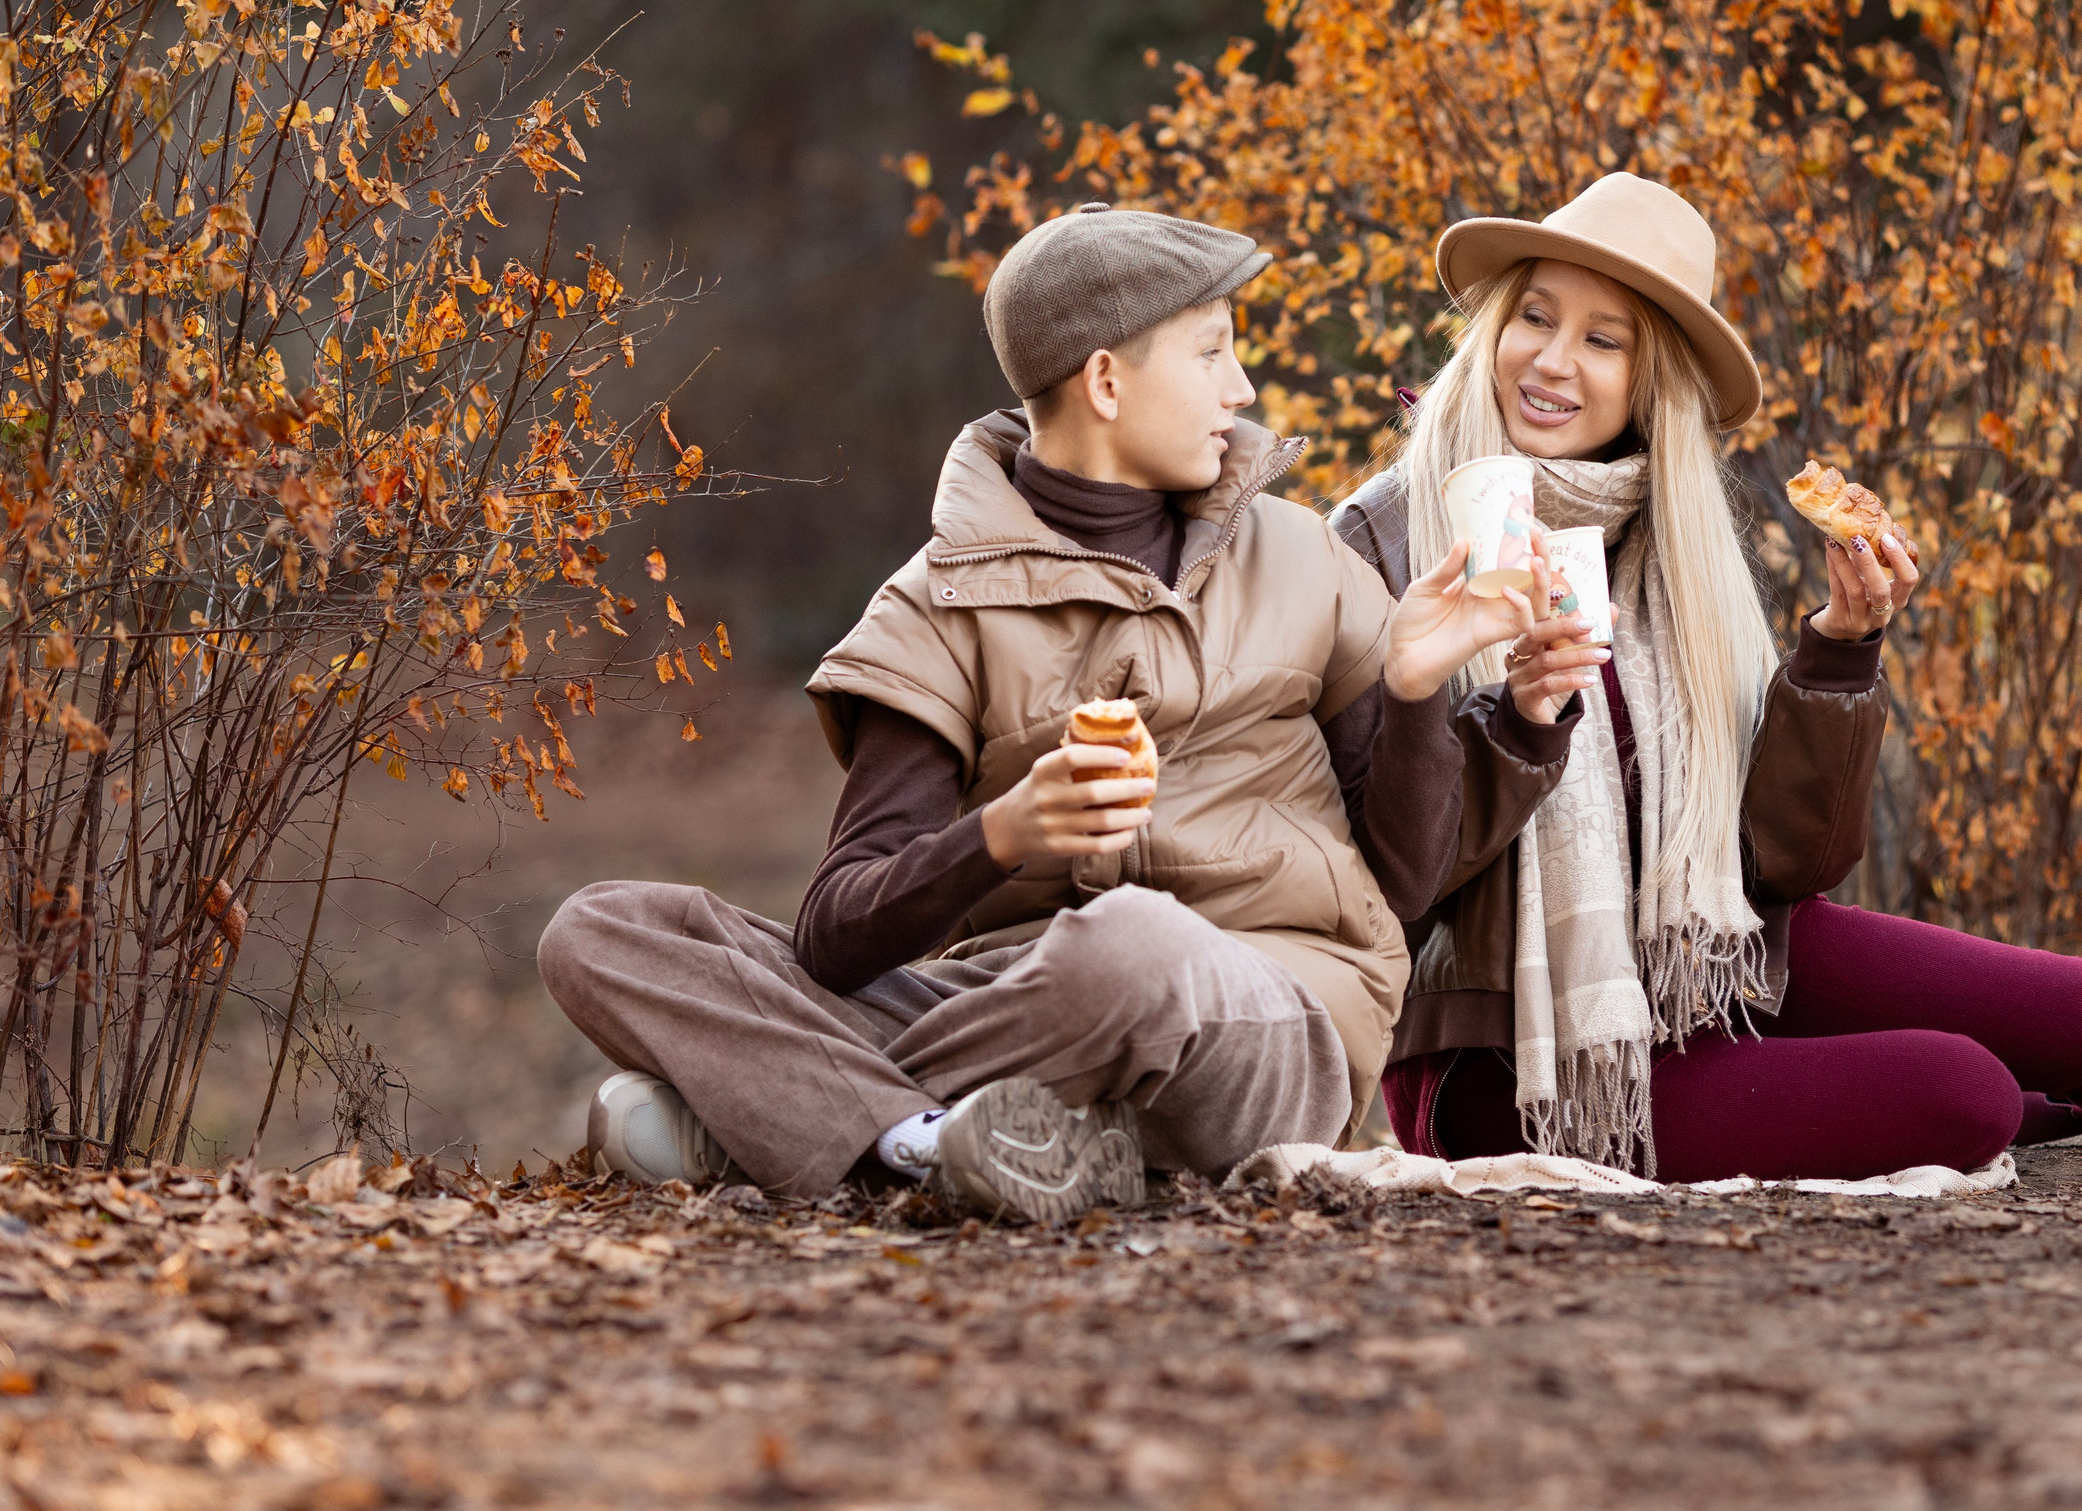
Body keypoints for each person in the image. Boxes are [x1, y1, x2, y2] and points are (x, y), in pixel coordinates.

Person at [1328, 173, 2082, 1181]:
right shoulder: (1381, 545)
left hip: (1708, 967)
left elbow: (1784, 865)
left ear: (1656, 386)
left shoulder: (1669, 548)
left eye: (1604, 340)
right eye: (1534, 318)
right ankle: (2040, 1097)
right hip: (1513, 1051)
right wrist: (1516, 723)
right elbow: (1386, 886)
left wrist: (1840, 649)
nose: (1552, 362)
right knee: (1959, 1095)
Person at [538, 203, 1554, 1221]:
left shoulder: (1301, 558)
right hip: (1024, 1002)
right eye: (1211, 353)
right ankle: (931, 1142)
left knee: (1130, 947)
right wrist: (1001, 836)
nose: (1241, 390)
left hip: (1271, 1012)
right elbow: (836, 933)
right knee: (602, 929)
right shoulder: (932, 609)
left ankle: (794, 1114)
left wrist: (1418, 692)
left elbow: (1406, 884)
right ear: (1105, 382)